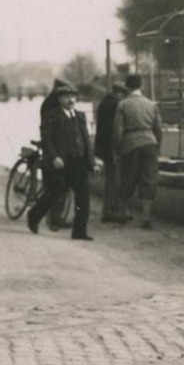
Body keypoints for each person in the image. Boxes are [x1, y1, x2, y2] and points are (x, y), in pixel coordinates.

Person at [28, 80, 94, 240]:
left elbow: (85, 139)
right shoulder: (52, 116)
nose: (71, 100)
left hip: (79, 161)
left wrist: (91, 160)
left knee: (83, 197)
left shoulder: (80, 116)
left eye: (73, 97)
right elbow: (47, 139)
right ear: (59, 99)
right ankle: (33, 216)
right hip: (61, 162)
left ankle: (79, 232)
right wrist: (54, 157)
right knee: (54, 193)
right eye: (66, 97)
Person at [112, 73, 163, 229]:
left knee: (127, 178)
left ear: (127, 87)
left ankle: (123, 212)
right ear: (141, 86)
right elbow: (159, 129)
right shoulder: (152, 104)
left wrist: (116, 150)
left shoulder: (123, 105)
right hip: (150, 144)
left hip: (130, 144)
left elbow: (118, 130)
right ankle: (146, 218)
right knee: (148, 180)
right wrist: (157, 146)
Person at [94, 82, 126, 224]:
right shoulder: (116, 105)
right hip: (112, 147)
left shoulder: (103, 103)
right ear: (119, 93)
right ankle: (110, 212)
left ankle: (111, 210)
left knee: (111, 179)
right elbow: (115, 129)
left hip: (103, 147)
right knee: (114, 180)